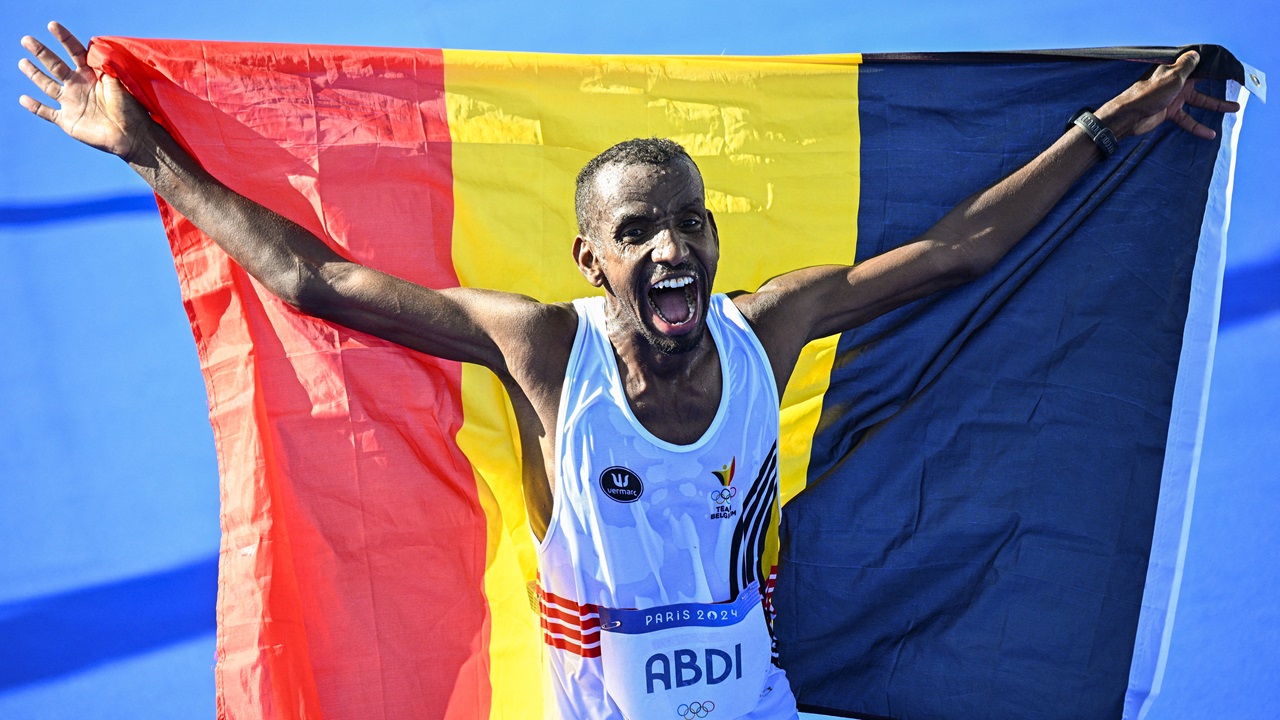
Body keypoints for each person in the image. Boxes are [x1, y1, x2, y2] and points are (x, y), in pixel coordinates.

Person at [19, 21, 1239, 720]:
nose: (671, 247)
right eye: (638, 230)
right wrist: (146, 152)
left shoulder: (769, 329)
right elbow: (313, 280)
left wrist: (1103, 127)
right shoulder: (543, 352)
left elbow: (958, 249)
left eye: (688, 222)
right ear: (590, 259)